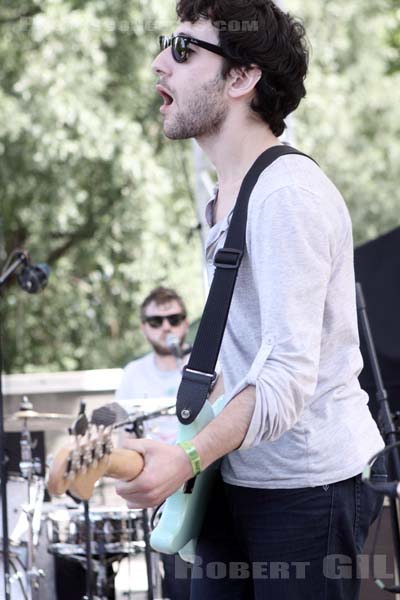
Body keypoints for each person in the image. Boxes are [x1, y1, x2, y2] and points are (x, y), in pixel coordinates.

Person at [115, 2, 385, 599]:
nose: (160, 62)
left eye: (183, 49)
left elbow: (287, 374)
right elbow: (240, 357)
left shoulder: (286, 196)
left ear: (241, 77)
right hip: (235, 475)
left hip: (305, 490)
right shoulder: (226, 196)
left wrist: (185, 459)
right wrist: (177, 444)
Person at [115, 285, 191, 600]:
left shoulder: (207, 364)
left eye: (174, 318)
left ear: (185, 322)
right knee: (178, 580)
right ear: (144, 328)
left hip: (209, 484)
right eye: (157, 321)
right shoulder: (134, 374)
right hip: (163, 493)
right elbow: (123, 437)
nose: (167, 327)